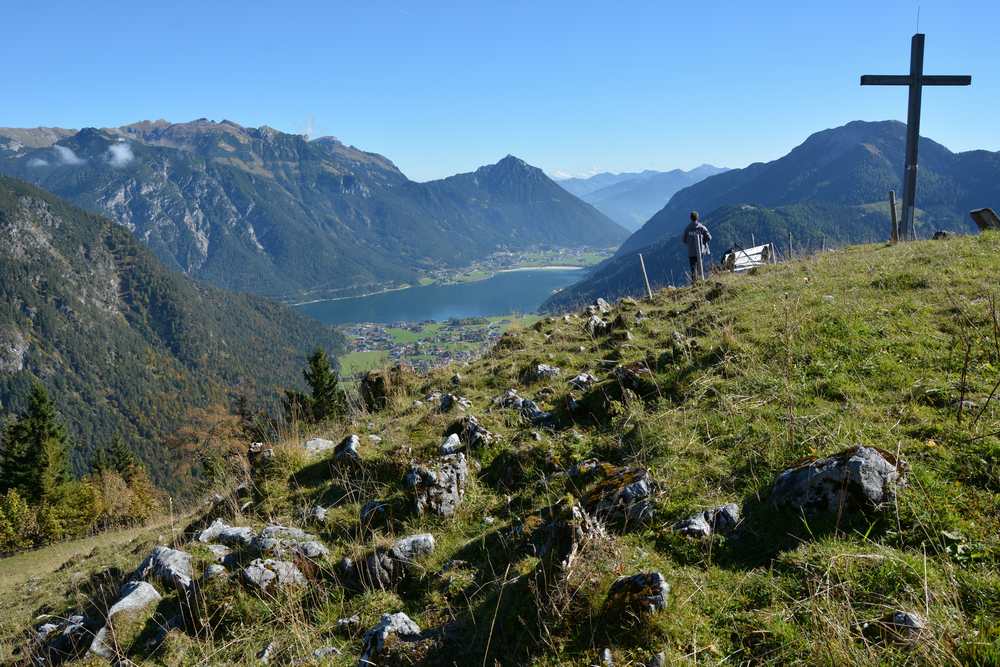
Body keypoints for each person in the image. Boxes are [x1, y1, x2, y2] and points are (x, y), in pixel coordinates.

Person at [682, 211, 711, 281]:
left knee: (693, 269)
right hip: (700, 251)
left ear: (690, 218)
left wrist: (690, 243)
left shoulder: (687, 228)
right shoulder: (701, 227)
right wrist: (703, 242)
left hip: (691, 252)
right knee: (700, 267)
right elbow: (709, 237)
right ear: (697, 217)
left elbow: (684, 240)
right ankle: (701, 281)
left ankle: (695, 283)